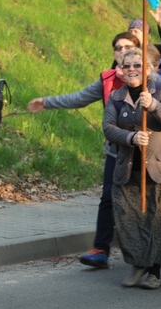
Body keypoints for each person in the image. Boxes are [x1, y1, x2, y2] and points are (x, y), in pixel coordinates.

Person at [28, 32, 140, 269]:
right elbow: (78, 98)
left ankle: (146, 250)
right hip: (116, 150)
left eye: (128, 47)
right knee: (108, 197)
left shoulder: (149, 76)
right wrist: (46, 102)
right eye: (118, 48)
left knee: (140, 200)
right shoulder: (107, 79)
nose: (122, 52)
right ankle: (101, 250)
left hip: (144, 150)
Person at [103, 47, 161, 289]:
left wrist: (154, 105)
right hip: (129, 168)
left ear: (146, 69)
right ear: (120, 70)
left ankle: (154, 270)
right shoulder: (116, 98)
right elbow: (107, 127)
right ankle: (138, 262)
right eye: (127, 66)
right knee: (129, 218)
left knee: (160, 220)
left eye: (137, 65)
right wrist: (130, 138)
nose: (132, 70)